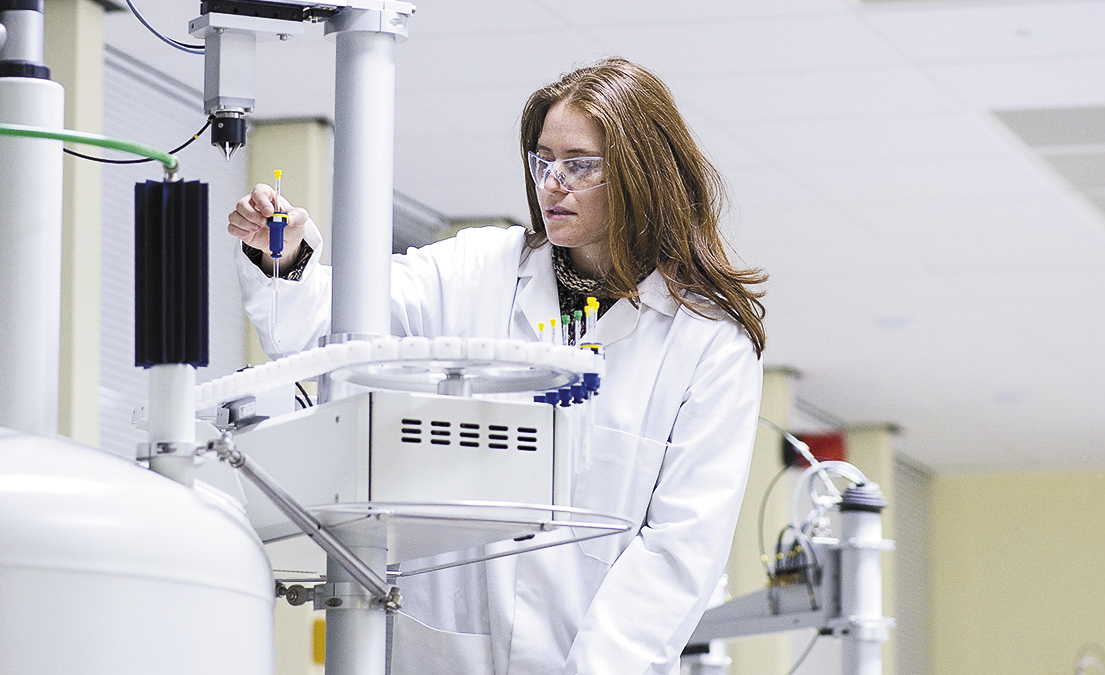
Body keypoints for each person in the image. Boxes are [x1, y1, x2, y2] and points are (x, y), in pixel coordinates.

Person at [229, 57, 767, 675]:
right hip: (441, 651)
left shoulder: (707, 343)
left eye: (580, 164)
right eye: (544, 161)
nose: (554, 182)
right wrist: (286, 258)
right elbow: (337, 329)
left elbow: (680, 549)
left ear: (641, 175)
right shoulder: (475, 270)